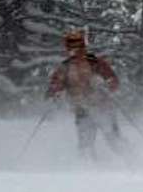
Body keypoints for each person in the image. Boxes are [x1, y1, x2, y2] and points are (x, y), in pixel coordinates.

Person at [46, 30, 129, 161]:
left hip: (102, 108)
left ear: (83, 46)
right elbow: (55, 84)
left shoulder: (95, 63)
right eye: (71, 46)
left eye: (78, 46)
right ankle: (88, 172)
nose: (75, 50)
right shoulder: (65, 67)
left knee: (114, 140)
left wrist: (104, 85)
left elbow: (113, 80)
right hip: (82, 109)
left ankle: (135, 161)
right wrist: (54, 92)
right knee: (85, 144)